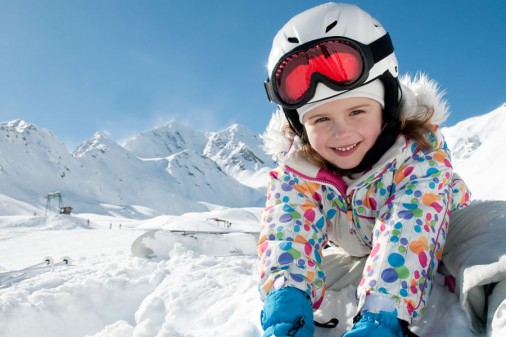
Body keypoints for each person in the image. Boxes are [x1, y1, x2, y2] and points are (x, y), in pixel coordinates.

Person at [257, 3, 506, 337]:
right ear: (299, 126)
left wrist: (382, 313)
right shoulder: (297, 173)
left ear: (387, 104)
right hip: (365, 253)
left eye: (357, 111)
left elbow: (408, 222)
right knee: (298, 274)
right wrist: (286, 296)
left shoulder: (418, 155)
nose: (340, 132)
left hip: (445, 230)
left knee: (496, 235)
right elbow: (287, 229)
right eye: (320, 119)